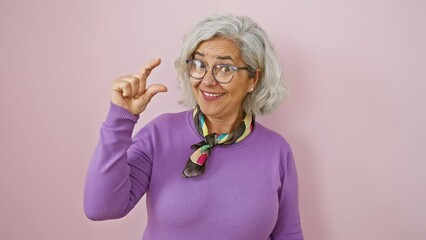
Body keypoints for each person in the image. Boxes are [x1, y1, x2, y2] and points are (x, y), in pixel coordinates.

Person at [84, 14, 304, 240]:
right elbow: (101, 208)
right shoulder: (160, 133)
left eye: (224, 69)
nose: (207, 80)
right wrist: (120, 118)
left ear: (253, 79)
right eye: (199, 65)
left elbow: (288, 234)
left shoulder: (277, 150)